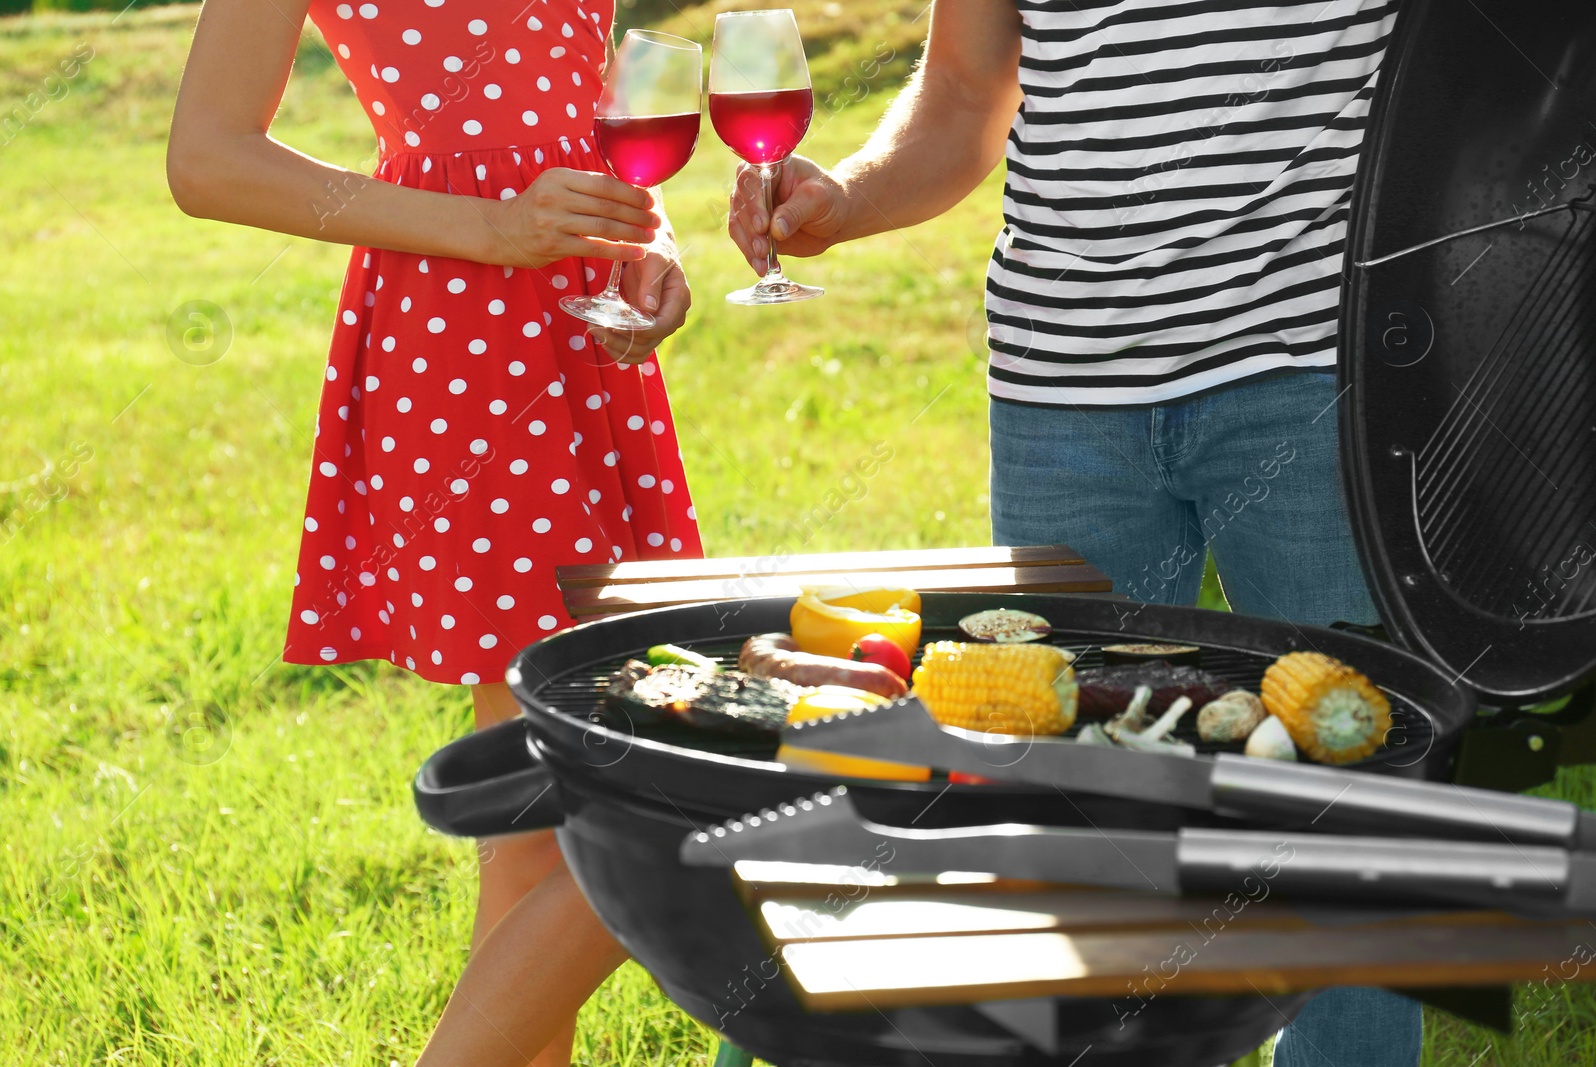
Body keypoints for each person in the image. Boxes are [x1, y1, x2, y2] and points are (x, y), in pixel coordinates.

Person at [726, 1, 1418, 1065]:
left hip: (1315, 374)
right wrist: (843, 198)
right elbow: (963, 90)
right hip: (1063, 393)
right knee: (1083, 816)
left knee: (1337, 800)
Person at [168, 1, 699, 1063]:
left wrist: (648, 239)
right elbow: (206, 162)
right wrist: (495, 229)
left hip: (580, 321)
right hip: (459, 330)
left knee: (549, 777)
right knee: (572, 756)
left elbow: (579, 122)